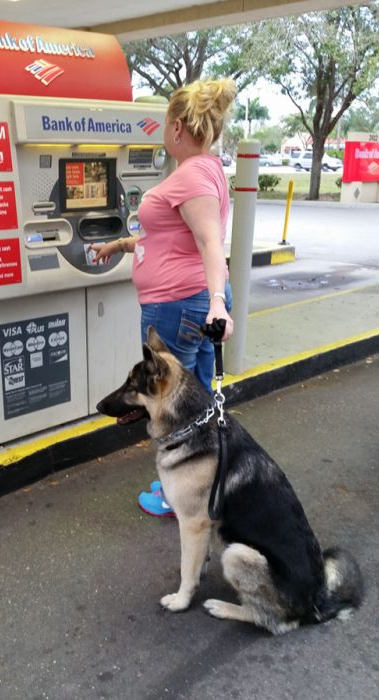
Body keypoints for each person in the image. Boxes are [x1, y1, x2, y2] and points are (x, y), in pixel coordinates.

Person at [91, 78, 236, 516]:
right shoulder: (206, 168)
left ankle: (180, 493)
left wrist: (216, 303)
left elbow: (211, 243)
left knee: (175, 406)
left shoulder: (191, 175)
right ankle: (207, 480)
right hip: (188, 300)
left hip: (179, 305)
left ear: (176, 127)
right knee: (200, 401)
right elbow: (170, 237)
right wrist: (118, 246)